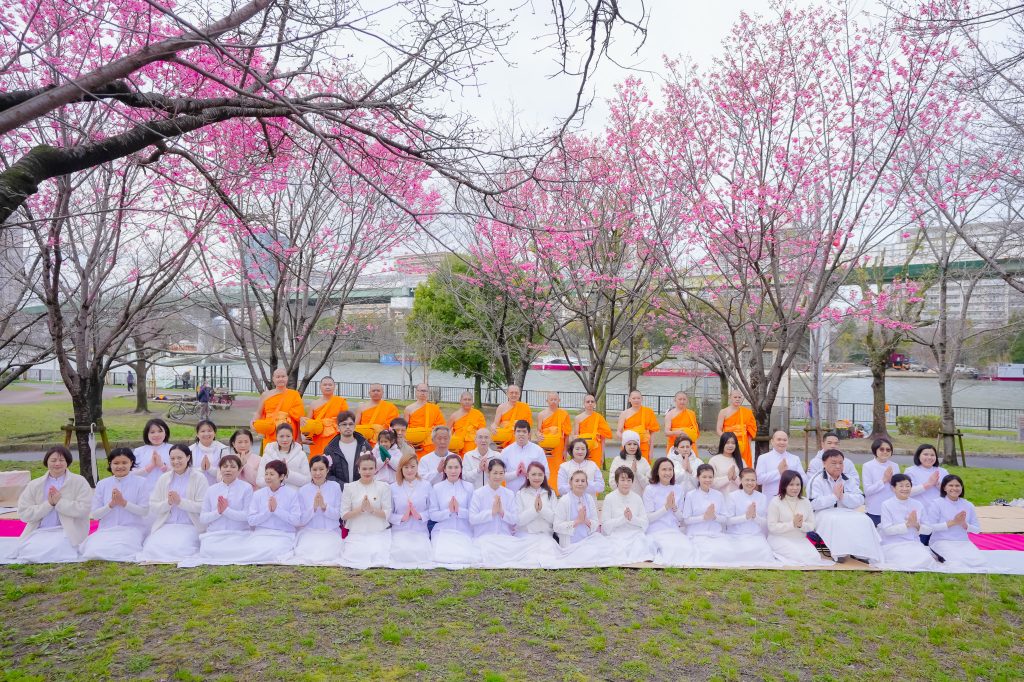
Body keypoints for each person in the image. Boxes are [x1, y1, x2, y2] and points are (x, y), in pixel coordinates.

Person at [9, 446, 91, 563]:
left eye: (61, 460)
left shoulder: (79, 481)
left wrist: (59, 502)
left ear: (67, 462)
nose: (57, 463)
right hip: (40, 530)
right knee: (30, 551)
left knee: (58, 549)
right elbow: (24, 513)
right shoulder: (34, 484)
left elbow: (84, 508)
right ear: (46, 462)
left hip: (66, 531)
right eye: (53, 460)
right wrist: (49, 504)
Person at [808, 450, 882, 564]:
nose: (838, 466)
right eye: (833, 463)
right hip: (823, 513)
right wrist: (834, 497)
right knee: (836, 520)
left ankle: (862, 553)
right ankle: (839, 552)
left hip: (846, 511)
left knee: (864, 519)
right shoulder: (816, 479)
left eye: (841, 463)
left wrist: (843, 496)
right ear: (824, 463)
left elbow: (860, 498)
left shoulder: (848, 479)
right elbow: (813, 503)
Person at [138, 443, 208, 563]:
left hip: (189, 525)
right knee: (152, 548)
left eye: (179, 458)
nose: (176, 461)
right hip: (167, 524)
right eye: (172, 459)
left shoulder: (199, 478)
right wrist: (168, 503)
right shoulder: (164, 478)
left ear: (188, 457)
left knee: (180, 548)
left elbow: (203, 506)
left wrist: (180, 502)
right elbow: (154, 506)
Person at [81, 448, 150, 562]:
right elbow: (95, 515)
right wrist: (111, 505)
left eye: (124, 463)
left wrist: (124, 503)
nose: (120, 466)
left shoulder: (141, 482)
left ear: (131, 463)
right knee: (93, 550)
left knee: (122, 549)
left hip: (132, 529)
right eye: (116, 463)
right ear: (110, 464)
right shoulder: (102, 484)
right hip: (107, 529)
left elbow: (144, 511)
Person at [185, 455, 254, 566]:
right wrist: (218, 512)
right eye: (225, 466)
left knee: (239, 552)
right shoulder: (211, 490)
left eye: (232, 467)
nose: (228, 469)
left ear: (239, 469)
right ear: (220, 469)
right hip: (215, 535)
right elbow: (203, 518)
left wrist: (226, 510)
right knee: (209, 551)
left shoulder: (246, 488)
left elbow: (247, 516)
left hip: (239, 534)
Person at [471, 459, 541, 568]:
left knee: (525, 548)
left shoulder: (508, 493)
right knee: (489, 550)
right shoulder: (478, 494)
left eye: (501, 473)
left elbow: (514, 519)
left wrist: (502, 513)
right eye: (495, 473)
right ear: (488, 473)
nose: (498, 477)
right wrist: (491, 512)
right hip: (485, 536)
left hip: (505, 537)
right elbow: (472, 519)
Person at [682, 463, 748, 566]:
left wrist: (714, 517)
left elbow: (725, 518)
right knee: (708, 554)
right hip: (697, 533)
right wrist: (703, 517)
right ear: (698, 478)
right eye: (704, 477)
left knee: (727, 554)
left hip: (715, 533)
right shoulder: (691, 495)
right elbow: (686, 519)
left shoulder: (718, 495)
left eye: (710, 477)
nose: (707, 480)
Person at [240, 459, 300, 563]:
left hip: (283, 534)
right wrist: (268, 512)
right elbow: (251, 520)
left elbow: (296, 520)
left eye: (272, 474)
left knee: (273, 551)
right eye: (266, 474)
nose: (268, 477)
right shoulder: (258, 494)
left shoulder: (292, 494)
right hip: (261, 534)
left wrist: (277, 510)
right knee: (251, 550)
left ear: (282, 476)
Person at [340, 454, 393, 568]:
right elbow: (344, 515)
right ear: (358, 469)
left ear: (375, 469)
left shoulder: (383, 487)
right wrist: (360, 510)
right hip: (356, 532)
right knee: (357, 556)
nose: (367, 472)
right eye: (364, 469)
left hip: (378, 532)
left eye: (371, 468)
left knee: (377, 556)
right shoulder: (349, 487)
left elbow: (387, 513)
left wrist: (371, 510)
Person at [553, 470, 616, 567]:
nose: (580, 483)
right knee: (586, 556)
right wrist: (577, 521)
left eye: (583, 481)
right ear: (571, 483)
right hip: (571, 543)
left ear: (587, 484)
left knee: (608, 551)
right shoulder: (564, 501)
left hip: (588, 538)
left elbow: (595, 522)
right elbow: (556, 527)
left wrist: (586, 520)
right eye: (577, 481)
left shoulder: (589, 498)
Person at [643, 457, 698, 566]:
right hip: (655, 530)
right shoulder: (650, 489)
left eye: (670, 469)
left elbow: (681, 518)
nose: (667, 473)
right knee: (669, 550)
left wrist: (674, 508)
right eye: (664, 470)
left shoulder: (678, 489)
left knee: (687, 549)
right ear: (657, 472)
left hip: (673, 529)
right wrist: (665, 508)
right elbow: (648, 518)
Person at [428, 454, 481, 568]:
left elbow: (473, 515)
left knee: (466, 557)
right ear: (445, 469)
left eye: (456, 467)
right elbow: (432, 515)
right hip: (442, 530)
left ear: (461, 469)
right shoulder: (437, 488)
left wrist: (459, 511)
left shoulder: (469, 487)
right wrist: (448, 512)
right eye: (450, 467)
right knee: (440, 557)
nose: (453, 471)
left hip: (463, 530)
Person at [879, 473, 939, 571]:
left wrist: (917, 525)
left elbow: (928, 529)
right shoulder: (886, 504)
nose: (905, 489)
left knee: (926, 560)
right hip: (893, 544)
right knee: (904, 561)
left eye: (908, 486)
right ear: (893, 488)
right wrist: (907, 525)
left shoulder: (918, 504)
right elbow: (887, 530)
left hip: (913, 542)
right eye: (901, 486)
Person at [289, 455, 343, 565]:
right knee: (305, 553)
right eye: (314, 469)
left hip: (330, 531)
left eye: (321, 469)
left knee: (330, 553)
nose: (317, 473)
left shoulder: (335, 487)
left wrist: (324, 507)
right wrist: (313, 508)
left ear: (327, 470)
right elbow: (301, 520)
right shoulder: (303, 490)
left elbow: (338, 515)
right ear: (310, 470)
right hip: (309, 531)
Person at [767, 470, 827, 566]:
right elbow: (772, 527)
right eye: (791, 485)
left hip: (800, 538)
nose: (795, 488)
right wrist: (792, 524)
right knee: (800, 558)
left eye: (798, 484)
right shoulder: (775, 501)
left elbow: (812, 525)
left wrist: (800, 525)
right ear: (784, 485)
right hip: (779, 538)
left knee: (815, 558)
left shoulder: (805, 501)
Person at [927, 475, 986, 571]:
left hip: (962, 542)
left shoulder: (968, 504)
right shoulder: (936, 503)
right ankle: (936, 554)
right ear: (944, 488)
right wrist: (953, 522)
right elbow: (929, 527)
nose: (954, 488)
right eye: (951, 485)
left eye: (957, 486)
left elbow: (977, 530)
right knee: (958, 562)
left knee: (979, 562)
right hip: (941, 541)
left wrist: (964, 524)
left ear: (962, 488)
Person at [388, 453, 435, 569]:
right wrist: (401, 518)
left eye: (413, 466)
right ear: (401, 468)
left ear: (417, 467)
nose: (409, 470)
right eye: (406, 467)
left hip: (420, 530)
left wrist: (419, 515)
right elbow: (388, 514)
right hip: (399, 531)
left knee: (420, 553)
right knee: (401, 553)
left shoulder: (426, 485)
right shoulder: (393, 487)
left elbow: (433, 510)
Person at [725, 468, 778, 566]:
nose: (750, 483)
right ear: (741, 480)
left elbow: (766, 522)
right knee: (737, 555)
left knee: (764, 554)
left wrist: (755, 516)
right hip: (736, 535)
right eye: (747, 480)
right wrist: (746, 517)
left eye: (753, 480)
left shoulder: (762, 497)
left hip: (755, 535)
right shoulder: (732, 496)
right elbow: (728, 521)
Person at [512, 462, 562, 567]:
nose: (537, 477)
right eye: (533, 474)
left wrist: (542, 510)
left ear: (544, 476)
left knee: (549, 557)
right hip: (526, 536)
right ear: (527, 476)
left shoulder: (550, 493)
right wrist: (534, 510)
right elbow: (519, 521)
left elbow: (556, 519)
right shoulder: (521, 493)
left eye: (540, 474)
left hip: (545, 535)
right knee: (528, 560)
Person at [601, 466, 654, 563]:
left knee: (642, 543)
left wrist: (632, 518)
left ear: (632, 482)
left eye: (629, 480)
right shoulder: (609, 498)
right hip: (617, 534)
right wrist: (623, 519)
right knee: (617, 549)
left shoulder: (637, 498)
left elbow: (645, 523)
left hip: (634, 534)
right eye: (622, 480)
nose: (626, 483)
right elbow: (605, 525)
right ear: (617, 481)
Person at [250, 367, 305, 449]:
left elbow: (298, 418)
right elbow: (259, 413)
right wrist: (253, 422)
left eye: (283, 376)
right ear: (273, 379)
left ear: (287, 378)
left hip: (289, 432)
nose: (280, 379)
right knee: (271, 457)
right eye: (278, 377)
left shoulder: (294, 395)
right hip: (270, 430)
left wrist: (298, 438)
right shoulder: (265, 395)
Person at [300, 377, 349, 458]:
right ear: (320, 387)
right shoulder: (314, 404)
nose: (327, 387)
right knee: (317, 462)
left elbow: (346, 421)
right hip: (318, 439)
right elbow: (309, 425)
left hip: (335, 438)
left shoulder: (340, 402)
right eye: (325, 385)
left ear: (334, 387)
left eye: (330, 385)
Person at [323, 411, 372, 491]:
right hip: (340, 492)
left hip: (362, 490)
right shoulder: (330, 449)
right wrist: (345, 486)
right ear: (338, 427)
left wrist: (360, 486)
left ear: (355, 426)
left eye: (350, 424)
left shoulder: (364, 446)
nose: (348, 427)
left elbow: (373, 468)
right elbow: (327, 474)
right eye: (344, 424)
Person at [257, 424, 311, 489]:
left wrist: (288, 474)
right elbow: (259, 481)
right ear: (276, 437)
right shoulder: (268, 454)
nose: (285, 439)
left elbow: (307, 480)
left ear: (292, 436)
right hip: (272, 495)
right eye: (281, 436)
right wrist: (275, 478)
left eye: (288, 436)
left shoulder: (301, 454)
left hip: (293, 495)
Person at [500, 420, 549, 492]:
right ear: (514, 433)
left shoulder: (538, 450)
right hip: (512, 493)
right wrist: (516, 473)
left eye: (524, 431)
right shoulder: (506, 451)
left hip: (532, 494)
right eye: (518, 431)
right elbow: (501, 476)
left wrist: (528, 474)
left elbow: (546, 474)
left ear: (529, 434)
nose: (521, 434)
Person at [536, 392, 572, 489]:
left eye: (555, 399)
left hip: (559, 447)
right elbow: (538, 431)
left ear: (559, 401)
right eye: (551, 399)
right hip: (545, 445)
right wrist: (538, 436)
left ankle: (557, 490)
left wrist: (565, 450)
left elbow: (567, 434)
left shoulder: (564, 414)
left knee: (559, 468)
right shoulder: (541, 414)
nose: (553, 401)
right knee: (545, 467)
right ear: (547, 401)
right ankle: (545, 488)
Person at [861, 437, 900, 526]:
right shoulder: (867, 466)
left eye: (888, 449)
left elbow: (898, 488)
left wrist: (891, 481)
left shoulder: (895, 466)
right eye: (881, 449)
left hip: (892, 509)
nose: (885, 452)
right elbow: (867, 491)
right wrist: (884, 480)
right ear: (875, 450)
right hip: (874, 509)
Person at [755, 431, 804, 499]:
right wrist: (778, 472)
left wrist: (790, 476)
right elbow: (759, 479)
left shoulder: (795, 458)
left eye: (785, 440)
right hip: (770, 498)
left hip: (791, 498)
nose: (782, 442)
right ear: (772, 441)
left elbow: (804, 479)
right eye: (779, 439)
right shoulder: (763, 458)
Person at [904, 443, 950, 515]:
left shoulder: (943, 471)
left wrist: (938, 484)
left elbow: (950, 492)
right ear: (918, 456)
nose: (929, 457)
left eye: (932, 455)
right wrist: (928, 484)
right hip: (918, 511)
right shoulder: (910, 471)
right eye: (925, 454)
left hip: (939, 511)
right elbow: (907, 492)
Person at [403, 383, 446, 457]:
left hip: (430, 442)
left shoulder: (434, 408)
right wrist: (409, 443)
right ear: (416, 392)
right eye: (420, 391)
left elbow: (441, 427)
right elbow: (404, 429)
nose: (422, 393)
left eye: (425, 391)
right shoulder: (409, 409)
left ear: (428, 393)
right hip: (414, 442)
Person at [616, 390, 661, 462]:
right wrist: (627, 439)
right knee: (628, 468)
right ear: (629, 399)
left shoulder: (648, 412)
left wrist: (651, 451)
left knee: (643, 468)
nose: (636, 400)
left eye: (638, 398)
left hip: (643, 446)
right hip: (628, 446)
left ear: (642, 399)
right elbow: (618, 432)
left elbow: (652, 433)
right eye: (633, 398)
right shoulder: (624, 413)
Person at [716, 390, 757, 467]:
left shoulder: (747, 412)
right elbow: (718, 429)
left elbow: (751, 430)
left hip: (743, 443)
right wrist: (726, 439)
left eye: (739, 397)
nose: (737, 399)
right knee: (729, 464)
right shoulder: (723, 412)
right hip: (729, 443)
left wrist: (748, 445)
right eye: (735, 397)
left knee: (744, 466)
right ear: (730, 398)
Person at [133, 418, 173, 497]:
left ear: (166, 432)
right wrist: (149, 467)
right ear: (147, 434)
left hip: (168, 492)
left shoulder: (173, 449)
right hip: (144, 494)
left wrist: (162, 466)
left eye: (160, 431)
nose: (156, 435)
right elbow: (131, 473)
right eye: (152, 432)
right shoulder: (139, 451)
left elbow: (181, 471)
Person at [571, 393, 613, 467]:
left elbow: (603, 438)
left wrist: (602, 455)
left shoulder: (599, 418)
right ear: (584, 404)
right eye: (588, 402)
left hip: (596, 449)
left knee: (594, 471)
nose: (590, 403)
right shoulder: (578, 418)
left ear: (595, 404)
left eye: (592, 401)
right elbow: (576, 438)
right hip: (582, 449)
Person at [448, 391, 486, 455]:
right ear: (461, 401)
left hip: (474, 449)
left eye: (469, 400)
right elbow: (446, 431)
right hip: (458, 449)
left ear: (472, 401)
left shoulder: (478, 414)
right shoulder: (454, 416)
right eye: (465, 399)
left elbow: (483, 432)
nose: (467, 402)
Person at [191, 420, 226, 487]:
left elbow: (226, 473)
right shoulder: (190, 450)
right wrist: (201, 469)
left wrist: (210, 469)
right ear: (197, 434)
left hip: (218, 488)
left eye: (209, 431)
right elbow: (187, 472)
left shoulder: (223, 449)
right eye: (203, 431)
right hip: (196, 488)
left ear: (215, 433)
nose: (206, 434)